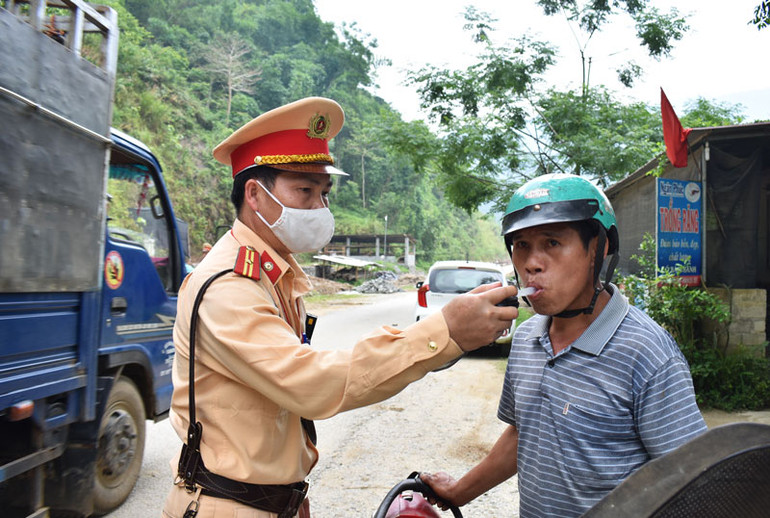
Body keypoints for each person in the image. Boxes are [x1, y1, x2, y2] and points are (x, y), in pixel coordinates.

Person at [161, 97, 519, 518]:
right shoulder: (229, 287)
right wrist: (445, 332)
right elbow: (311, 383)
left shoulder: (271, 276)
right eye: (305, 191)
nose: (320, 208)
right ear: (255, 195)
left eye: (324, 193)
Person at [422, 173, 708, 517]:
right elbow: (525, 433)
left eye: (552, 243)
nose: (531, 263)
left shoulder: (647, 353)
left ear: (598, 249)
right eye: (521, 245)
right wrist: (459, 491)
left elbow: (694, 479)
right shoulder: (528, 338)